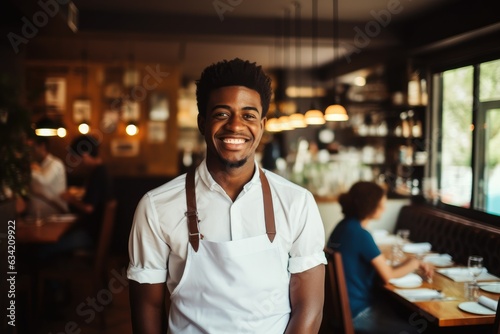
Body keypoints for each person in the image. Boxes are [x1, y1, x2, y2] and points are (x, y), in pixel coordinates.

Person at [127, 58, 327, 334]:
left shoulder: (297, 202)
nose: (235, 126)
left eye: (248, 115)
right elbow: (146, 307)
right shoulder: (156, 206)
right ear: (202, 122)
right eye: (222, 113)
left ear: (262, 125)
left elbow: (309, 307)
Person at [327, 181, 434, 334]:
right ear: (369, 206)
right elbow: (388, 276)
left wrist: (409, 264)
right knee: (415, 330)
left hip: (340, 311)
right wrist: (415, 262)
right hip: (358, 312)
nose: (384, 208)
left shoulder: (342, 226)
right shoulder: (361, 235)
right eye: (381, 203)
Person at [40, 134, 113, 258]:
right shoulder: (103, 171)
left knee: (43, 249)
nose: (78, 163)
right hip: (93, 233)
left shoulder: (97, 174)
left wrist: (70, 198)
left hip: (89, 235)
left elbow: (88, 208)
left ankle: (52, 276)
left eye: (77, 158)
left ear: (84, 155)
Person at [27, 135, 69, 218]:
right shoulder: (38, 165)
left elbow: (44, 181)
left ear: (42, 146)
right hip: (37, 217)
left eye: (32, 148)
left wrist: (28, 169)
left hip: (54, 217)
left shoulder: (55, 163)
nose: (30, 152)